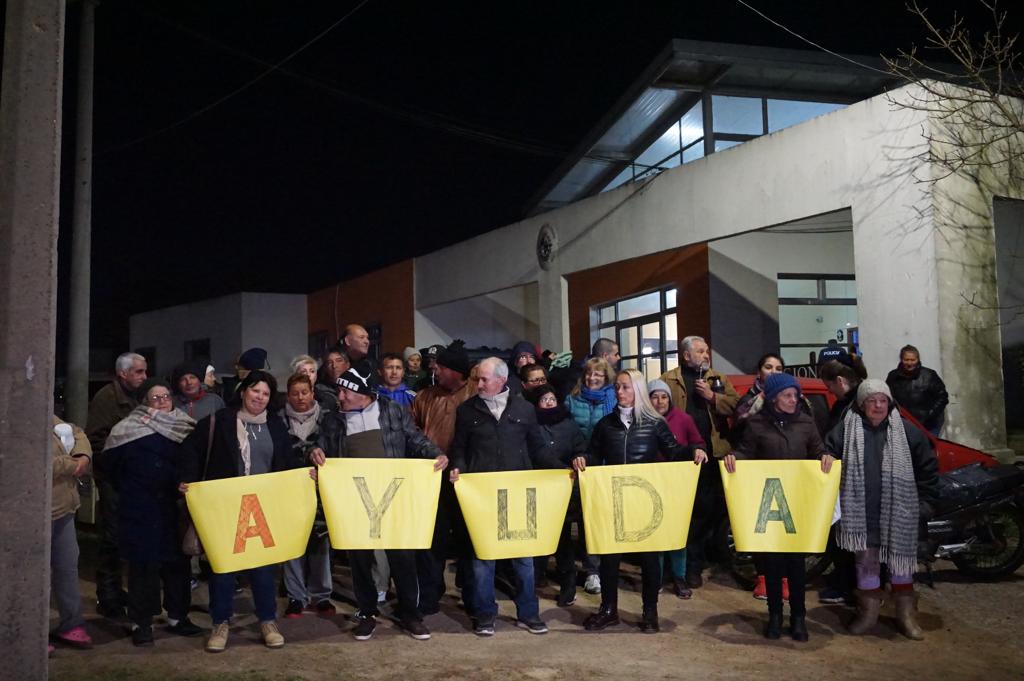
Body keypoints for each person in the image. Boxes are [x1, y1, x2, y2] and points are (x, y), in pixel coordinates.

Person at [312, 362, 447, 641]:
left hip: (392, 496)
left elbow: (415, 440)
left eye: (345, 393)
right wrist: (313, 453)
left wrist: (436, 454)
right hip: (354, 499)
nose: (340, 397)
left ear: (363, 394)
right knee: (359, 558)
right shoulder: (333, 420)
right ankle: (367, 612)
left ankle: (410, 613)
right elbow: (319, 446)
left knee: (402, 557)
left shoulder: (393, 411)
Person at [178, 370, 292, 652]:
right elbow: (190, 450)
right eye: (255, 391)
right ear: (243, 391)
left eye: (266, 394)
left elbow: (288, 463)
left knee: (264, 568)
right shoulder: (220, 421)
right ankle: (220, 622)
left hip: (263, 508)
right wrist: (187, 480)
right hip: (226, 507)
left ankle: (267, 621)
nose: (260, 398)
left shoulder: (276, 426)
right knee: (223, 567)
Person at [572, 370, 693, 634]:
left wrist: (694, 450)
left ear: (637, 389)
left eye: (625, 387)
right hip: (615, 501)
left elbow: (673, 453)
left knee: (650, 559)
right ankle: (608, 609)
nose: (620, 392)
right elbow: (593, 455)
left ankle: (650, 611)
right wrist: (582, 458)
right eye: (617, 387)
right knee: (609, 558)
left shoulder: (654, 423)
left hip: (644, 502)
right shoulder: (605, 425)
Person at [449, 357, 559, 636]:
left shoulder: (524, 409)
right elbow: (459, 447)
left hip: (518, 495)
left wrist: (561, 468)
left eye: (484, 379)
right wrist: (457, 467)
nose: (479, 384)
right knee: (482, 559)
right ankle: (485, 615)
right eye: (478, 379)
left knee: (523, 559)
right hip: (482, 496)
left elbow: (537, 448)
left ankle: (529, 614)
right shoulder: (466, 410)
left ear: (501, 379)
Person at [824, 379, 939, 640]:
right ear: (862, 405)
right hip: (861, 514)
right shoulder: (844, 431)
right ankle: (868, 614)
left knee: (902, 566)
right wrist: (826, 458)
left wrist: (926, 504)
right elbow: (826, 455)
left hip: (900, 513)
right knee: (866, 563)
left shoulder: (908, 432)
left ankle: (906, 616)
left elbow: (929, 470)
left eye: (883, 400)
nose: (878, 405)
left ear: (890, 403)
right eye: (872, 401)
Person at [723, 372, 831, 642]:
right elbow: (746, 452)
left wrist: (825, 457)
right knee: (771, 565)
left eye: (795, 395)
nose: (793, 399)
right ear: (773, 398)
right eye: (787, 395)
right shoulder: (756, 424)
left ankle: (798, 617)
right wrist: (734, 458)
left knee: (796, 565)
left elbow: (817, 450)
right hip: (769, 503)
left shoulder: (806, 423)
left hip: (795, 501)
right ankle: (774, 615)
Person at [99, 379, 201, 646]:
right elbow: (111, 467)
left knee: (177, 564)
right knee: (142, 567)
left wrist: (184, 481)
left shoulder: (184, 427)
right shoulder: (126, 429)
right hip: (139, 507)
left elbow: (193, 462)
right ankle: (141, 622)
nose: (162, 401)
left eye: (166, 396)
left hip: (173, 507)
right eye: (155, 398)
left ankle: (178, 617)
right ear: (145, 402)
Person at [659, 335, 739, 588]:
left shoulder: (718, 379)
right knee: (680, 512)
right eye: (701, 351)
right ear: (686, 355)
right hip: (680, 456)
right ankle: (673, 567)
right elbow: (656, 410)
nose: (706, 356)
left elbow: (737, 406)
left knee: (705, 513)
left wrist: (713, 398)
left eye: (707, 351)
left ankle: (693, 565)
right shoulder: (668, 380)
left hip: (712, 454)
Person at [409, 341, 477, 615]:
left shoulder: (475, 395)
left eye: (444, 367)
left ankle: (472, 596)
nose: (436, 369)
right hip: (432, 480)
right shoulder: (424, 397)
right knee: (431, 541)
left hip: (467, 481)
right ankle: (429, 593)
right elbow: (410, 431)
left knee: (468, 540)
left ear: (458, 372)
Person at [86, 351, 148, 618]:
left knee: (126, 536)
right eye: (139, 372)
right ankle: (108, 594)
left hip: (132, 479)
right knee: (111, 537)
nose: (144, 377)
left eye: (145, 372)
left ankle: (118, 589)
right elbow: (96, 441)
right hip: (114, 478)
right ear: (123, 373)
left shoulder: (136, 397)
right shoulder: (107, 399)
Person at [523, 383, 586, 606]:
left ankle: (568, 584)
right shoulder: (530, 425)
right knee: (536, 536)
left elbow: (580, 447)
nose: (549, 403)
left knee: (563, 539)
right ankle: (536, 577)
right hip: (537, 487)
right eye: (544, 400)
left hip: (563, 489)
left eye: (552, 399)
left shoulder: (568, 425)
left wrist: (578, 458)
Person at [279, 373, 335, 620]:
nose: (300, 397)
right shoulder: (277, 421)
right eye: (295, 393)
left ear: (313, 393)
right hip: (289, 491)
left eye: (305, 392)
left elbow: (336, 452)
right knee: (292, 543)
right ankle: (296, 597)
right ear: (288, 395)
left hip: (322, 492)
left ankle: (321, 595)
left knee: (320, 543)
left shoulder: (329, 420)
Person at [815, 357, 869, 606]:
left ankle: (848, 587)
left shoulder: (853, 406)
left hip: (852, 481)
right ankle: (848, 583)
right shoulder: (854, 403)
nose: (829, 392)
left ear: (839, 381)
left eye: (829, 387)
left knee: (846, 538)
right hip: (850, 479)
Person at [647, 379, 707, 600]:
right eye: (654, 396)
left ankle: (679, 577)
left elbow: (697, 441)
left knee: (678, 532)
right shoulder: (644, 420)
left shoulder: (683, 419)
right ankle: (658, 576)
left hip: (677, 484)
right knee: (656, 532)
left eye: (664, 397)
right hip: (652, 482)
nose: (660, 401)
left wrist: (698, 450)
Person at [564, 356, 617, 594]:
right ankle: (589, 571)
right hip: (578, 466)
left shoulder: (614, 399)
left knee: (602, 520)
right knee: (583, 521)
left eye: (598, 374)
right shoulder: (572, 400)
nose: (592, 378)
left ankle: (603, 568)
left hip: (605, 467)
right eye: (589, 373)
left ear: (606, 377)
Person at [50, 417, 94, 650]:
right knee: (31, 573)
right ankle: (28, 631)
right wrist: (72, 465)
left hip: (63, 508)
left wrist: (83, 457)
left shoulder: (46, 413)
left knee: (67, 566)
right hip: (32, 511)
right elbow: (26, 460)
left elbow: (77, 432)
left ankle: (71, 623)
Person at [885, 345, 949, 436]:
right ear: (901, 360)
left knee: (926, 449)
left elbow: (943, 397)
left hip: (929, 425)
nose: (910, 363)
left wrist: (929, 415)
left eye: (913, 360)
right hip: (903, 424)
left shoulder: (929, 375)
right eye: (906, 360)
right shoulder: (893, 376)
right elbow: (888, 398)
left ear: (918, 359)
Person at [734, 353, 786, 421]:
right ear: (759, 372)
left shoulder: (794, 396)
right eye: (768, 367)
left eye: (778, 369)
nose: (774, 372)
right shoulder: (747, 400)